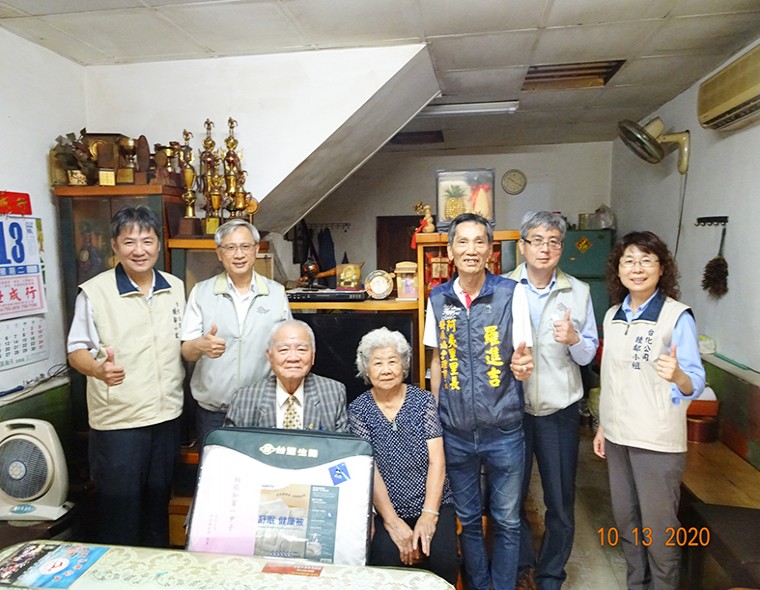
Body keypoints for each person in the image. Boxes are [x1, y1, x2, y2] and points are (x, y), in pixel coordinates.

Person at [423, 212, 534, 590]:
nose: (471, 250)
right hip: (455, 430)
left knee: (507, 520)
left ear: (490, 250)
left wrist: (523, 366)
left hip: (504, 429)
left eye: (479, 242)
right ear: (450, 250)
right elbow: (437, 361)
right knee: (468, 520)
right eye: (463, 242)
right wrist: (436, 416)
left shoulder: (511, 293)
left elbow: (524, 356)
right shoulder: (438, 298)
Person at [593, 231, 705, 590]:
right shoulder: (613, 315)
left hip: (656, 443)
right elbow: (613, 379)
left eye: (646, 261)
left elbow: (695, 382)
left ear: (662, 268)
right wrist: (603, 426)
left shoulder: (676, 316)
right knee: (627, 525)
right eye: (628, 261)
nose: (637, 269)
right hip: (617, 438)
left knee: (659, 533)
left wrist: (679, 375)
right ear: (618, 269)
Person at [67, 205, 185, 547]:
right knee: (120, 516)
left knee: (157, 511)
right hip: (119, 423)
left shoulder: (175, 287)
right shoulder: (95, 292)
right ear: (115, 246)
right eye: (129, 242)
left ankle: (157, 573)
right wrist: (97, 369)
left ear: (158, 244)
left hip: (166, 417)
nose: (139, 250)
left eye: (147, 241)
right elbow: (76, 350)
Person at [505, 211, 599, 590]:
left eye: (554, 242)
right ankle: (520, 567)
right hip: (512, 410)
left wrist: (575, 339)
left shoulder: (578, 291)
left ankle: (550, 575)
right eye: (537, 241)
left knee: (559, 502)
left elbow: (588, 355)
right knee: (510, 498)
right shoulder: (503, 288)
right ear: (522, 246)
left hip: (559, 411)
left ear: (561, 248)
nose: (545, 249)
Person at [348, 328, 458, 585]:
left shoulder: (423, 402)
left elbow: (437, 461)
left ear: (404, 365)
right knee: (384, 561)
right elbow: (370, 468)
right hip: (386, 509)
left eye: (392, 361)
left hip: (432, 502)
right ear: (366, 369)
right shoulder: (359, 409)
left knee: (443, 560)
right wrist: (392, 522)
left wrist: (429, 515)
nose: (386, 370)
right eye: (378, 363)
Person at [181, 218, 291, 445]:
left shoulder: (276, 293)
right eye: (230, 247)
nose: (239, 254)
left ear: (256, 250)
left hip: (262, 408)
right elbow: (186, 352)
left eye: (245, 246)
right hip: (213, 412)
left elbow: (287, 349)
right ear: (219, 253)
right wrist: (200, 345)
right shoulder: (201, 292)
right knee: (214, 467)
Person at [224, 319, 348, 432]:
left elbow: (341, 445)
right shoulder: (244, 398)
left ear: (313, 356)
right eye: (284, 350)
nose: (293, 358)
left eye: (301, 349)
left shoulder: (333, 393)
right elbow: (230, 446)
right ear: (270, 356)